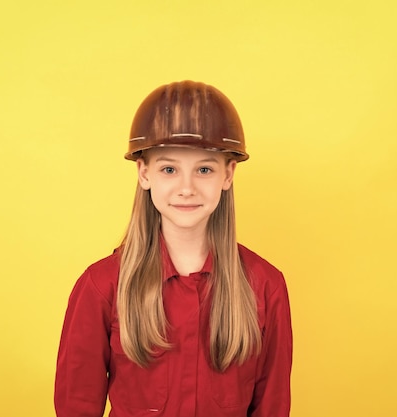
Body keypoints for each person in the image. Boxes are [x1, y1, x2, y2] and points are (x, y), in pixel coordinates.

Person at [54, 80, 293, 417]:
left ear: (228, 175)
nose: (186, 188)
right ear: (144, 173)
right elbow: (76, 406)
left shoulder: (266, 287)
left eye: (204, 169)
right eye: (169, 169)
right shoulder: (101, 286)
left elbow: (272, 407)